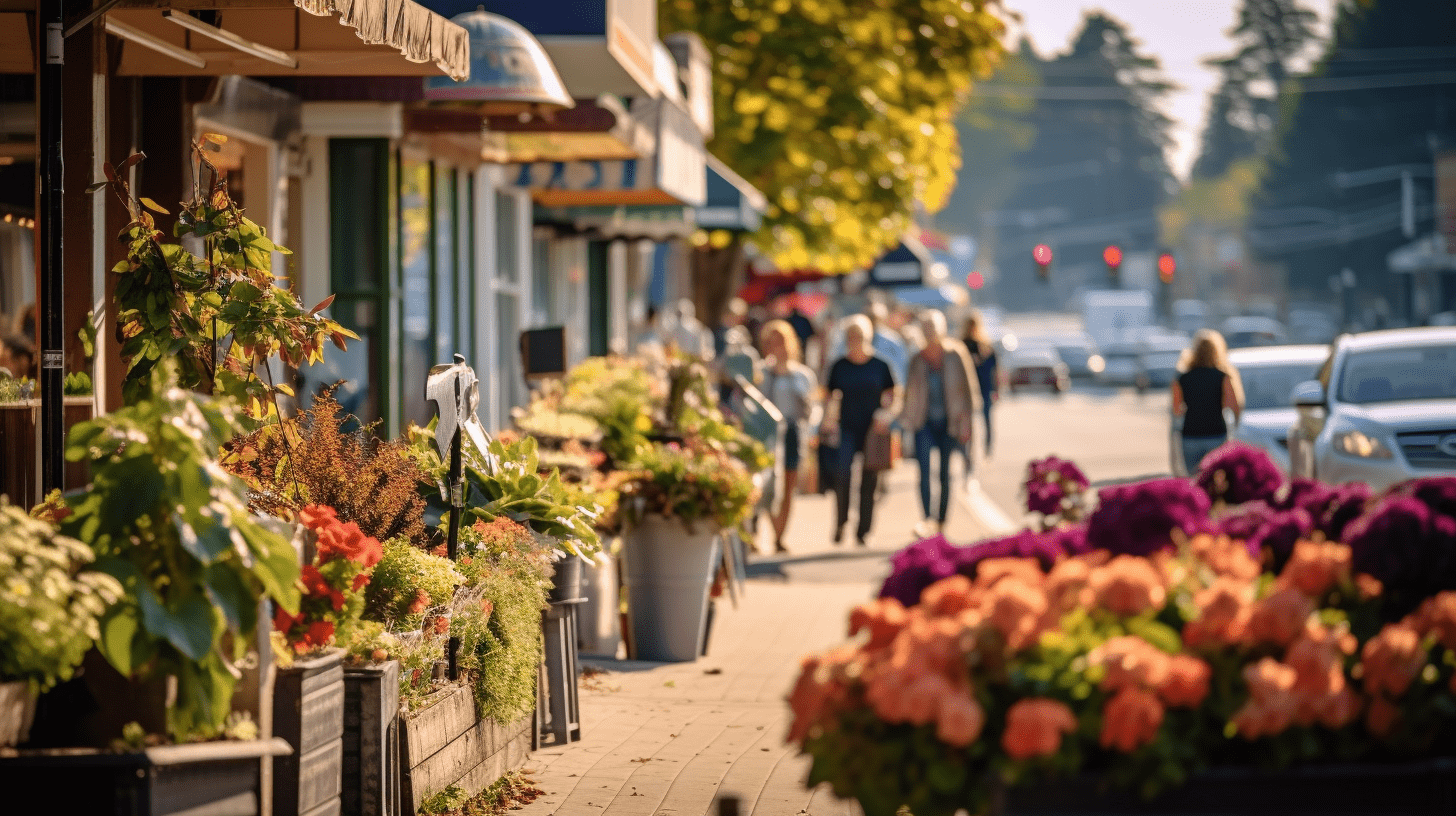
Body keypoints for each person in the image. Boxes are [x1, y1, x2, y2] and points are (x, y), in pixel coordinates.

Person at [823, 314, 898, 546]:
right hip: (847, 427)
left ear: (868, 338)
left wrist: (886, 414)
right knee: (842, 475)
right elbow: (829, 395)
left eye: (859, 336)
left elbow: (893, 395)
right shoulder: (840, 366)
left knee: (869, 481)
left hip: (872, 431)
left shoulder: (880, 365)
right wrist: (828, 418)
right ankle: (841, 522)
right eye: (851, 337)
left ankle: (863, 530)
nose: (855, 341)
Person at [902, 311, 979, 536]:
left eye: (933, 329)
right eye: (926, 329)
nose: (930, 334)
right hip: (923, 422)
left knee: (945, 473)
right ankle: (927, 519)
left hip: (950, 422)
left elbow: (969, 391)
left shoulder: (956, 354)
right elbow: (908, 394)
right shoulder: (917, 359)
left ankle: (941, 521)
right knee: (924, 472)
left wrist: (966, 422)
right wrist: (905, 420)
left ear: (942, 330)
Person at [759, 320, 819, 553]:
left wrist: (812, 432)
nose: (777, 347)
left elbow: (812, 408)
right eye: (772, 342)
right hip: (767, 434)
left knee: (788, 485)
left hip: (793, 432)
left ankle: (779, 535)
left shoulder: (801, 375)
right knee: (769, 484)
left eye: (781, 341)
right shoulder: (762, 373)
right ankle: (769, 528)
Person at [1172, 329, 1244, 472]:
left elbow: (1177, 410)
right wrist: (1235, 424)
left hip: (1190, 435)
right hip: (1216, 434)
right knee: (1216, 482)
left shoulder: (1182, 378)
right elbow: (1234, 405)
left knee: (1195, 480)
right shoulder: (1223, 377)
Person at [961, 311, 999, 457]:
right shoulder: (962, 345)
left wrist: (997, 389)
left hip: (985, 387)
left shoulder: (986, 346)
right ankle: (969, 450)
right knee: (969, 420)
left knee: (987, 419)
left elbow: (995, 370)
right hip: (968, 388)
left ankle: (987, 447)